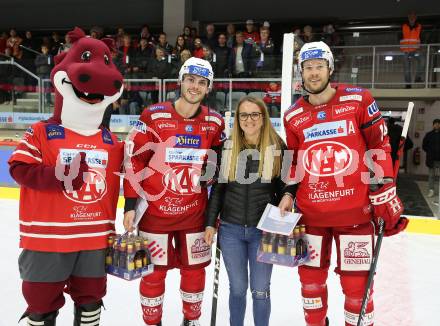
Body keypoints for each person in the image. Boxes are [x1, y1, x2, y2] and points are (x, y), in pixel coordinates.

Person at [280, 41, 407, 326]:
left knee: (357, 289)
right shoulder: (293, 115)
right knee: (310, 286)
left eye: (319, 67)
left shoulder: (359, 99)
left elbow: (380, 145)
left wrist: (384, 186)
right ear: (301, 72)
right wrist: (288, 192)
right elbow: (294, 161)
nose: (314, 73)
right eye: (308, 68)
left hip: (355, 215)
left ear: (330, 68)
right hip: (310, 217)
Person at [8, 27, 124, 326]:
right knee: (41, 301)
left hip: (94, 239)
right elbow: (19, 169)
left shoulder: (111, 141)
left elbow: (135, 173)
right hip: (49, 239)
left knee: (91, 300)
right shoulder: (41, 131)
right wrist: (60, 178)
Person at [123, 57, 225, 326]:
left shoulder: (214, 122)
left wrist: (212, 174)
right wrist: (130, 205)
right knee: (154, 273)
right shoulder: (154, 115)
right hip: (155, 214)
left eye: (202, 82)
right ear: (181, 81)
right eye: (190, 80)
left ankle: (191, 320)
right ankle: (152, 322)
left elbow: (219, 163)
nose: (195, 86)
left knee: (194, 272)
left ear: (208, 88)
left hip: (195, 215)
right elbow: (134, 160)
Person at [204, 96, 296, 326]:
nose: (249, 119)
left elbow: (288, 184)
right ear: (237, 119)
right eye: (244, 115)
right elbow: (218, 190)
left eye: (255, 114)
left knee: (260, 290)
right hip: (230, 230)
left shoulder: (277, 147)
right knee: (237, 289)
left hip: (263, 231)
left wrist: (288, 195)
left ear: (263, 118)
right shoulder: (227, 147)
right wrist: (209, 223)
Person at [400, 12, 423, 88]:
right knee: (407, 68)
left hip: (415, 50)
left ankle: (417, 77)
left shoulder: (419, 26)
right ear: (408, 17)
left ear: (416, 17)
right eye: (410, 16)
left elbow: (421, 38)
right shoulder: (403, 26)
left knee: (422, 61)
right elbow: (399, 37)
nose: (412, 18)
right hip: (406, 51)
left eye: (413, 16)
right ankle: (408, 85)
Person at [422, 119, 440, 197]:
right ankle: (431, 190)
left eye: (438, 124)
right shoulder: (429, 135)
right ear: (433, 125)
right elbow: (424, 145)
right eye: (435, 124)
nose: (437, 125)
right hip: (431, 158)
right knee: (431, 175)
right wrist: (429, 152)